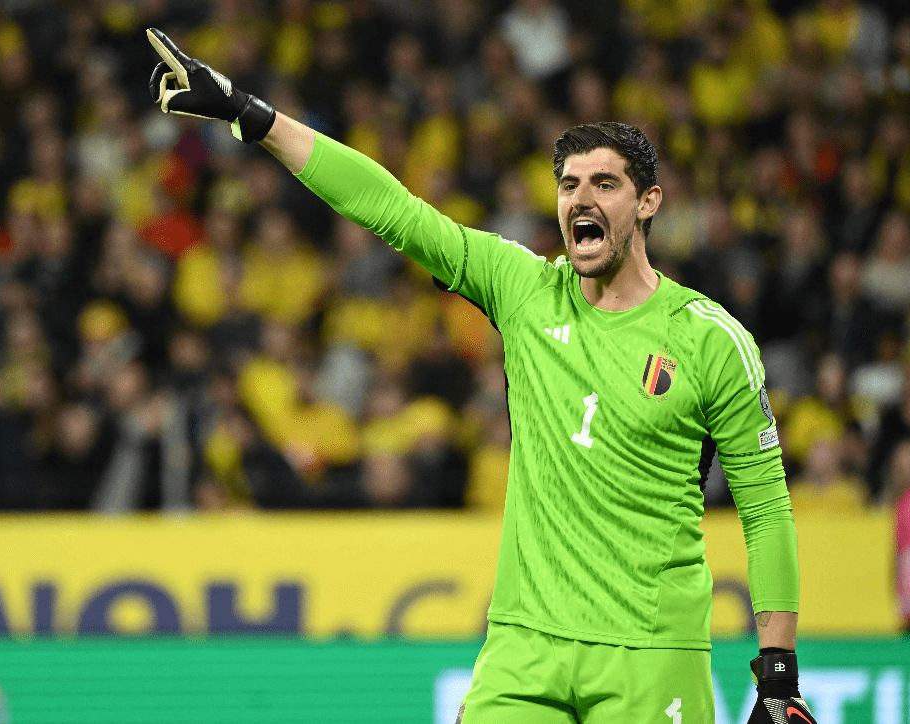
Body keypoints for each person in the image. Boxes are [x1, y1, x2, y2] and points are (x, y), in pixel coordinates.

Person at [144, 30, 817, 724]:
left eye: (605, 184)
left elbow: (766, 508)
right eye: (569, 185)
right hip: (525, 648)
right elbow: (391, 209)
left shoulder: (711, 341)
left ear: (648, 202)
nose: (581, 200)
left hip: (651, 654)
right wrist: (252, 116)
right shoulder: (523, 290)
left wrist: (778, 678)